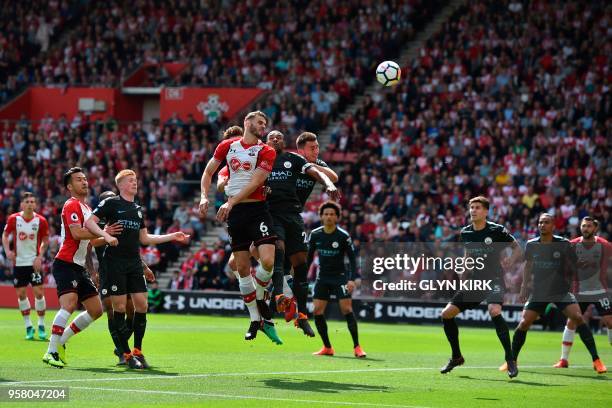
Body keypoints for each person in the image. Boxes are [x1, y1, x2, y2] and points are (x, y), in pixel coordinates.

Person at [85, 169, 189, 369]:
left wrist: (171, 236)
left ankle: (138, 351)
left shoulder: (137, 208)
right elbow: (89, 222)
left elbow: (145, 238)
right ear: (121, 185)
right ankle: (125, 353)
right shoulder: (110, 203)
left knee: (142, 305)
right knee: (120, 308)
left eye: (135, 180)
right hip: (114, 263)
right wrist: (106, 236)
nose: (135, 183)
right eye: (130, 181)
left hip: (133, 262)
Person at [199, 111, 281, 344]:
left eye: (265, 123)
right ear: (247, 123)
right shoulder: (227, 146)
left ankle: (262, 297)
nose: (263, 126)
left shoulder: (266, 150)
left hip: (257, 210)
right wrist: (204, 197)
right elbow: (208, 172)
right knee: (242, 267)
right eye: (259, 122)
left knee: (267, 261)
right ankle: (255, 319)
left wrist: (231, 201)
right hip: (236, 214)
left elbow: (256, 181)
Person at [510, 213, 607, 375]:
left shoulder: (563, 244)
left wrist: (580, 265)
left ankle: (596, 360)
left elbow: (573, 262)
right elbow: (528, 266)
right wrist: (523, 287)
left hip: (561, 291)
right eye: (540, 222)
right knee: (524, 323)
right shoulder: (532, 244)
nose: (542, 225)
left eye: (546, 222)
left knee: (578, 318)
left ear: (553, 226)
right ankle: (512, 361)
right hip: (540, 292)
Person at [265, 130, 339, 337]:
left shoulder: (304, 163)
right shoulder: (283, 160)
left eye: (317, 147)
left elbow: (333, 176)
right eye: (312, 148)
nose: (316, 150)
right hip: (273, 214)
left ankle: (292, 313)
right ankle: (277, 307)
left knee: (297, 266)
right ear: (300, 149)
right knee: (278, 260)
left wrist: (307, 164)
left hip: (293, 216)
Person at [439, 196, 521, 377]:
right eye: (471, 207)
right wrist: (463, 271)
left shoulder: (497, 230)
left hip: (494, 280)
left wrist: (511, 259)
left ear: (486, 211)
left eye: (477, 207)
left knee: (494, 310)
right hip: (475, 282)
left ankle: (510, 359)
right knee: (446, 314)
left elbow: (517, 248)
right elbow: (468, 253)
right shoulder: (466, 232)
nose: (473, 210)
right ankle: (456, 356)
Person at [43, 167, 116, 369]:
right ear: (69, 186)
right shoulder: (71, 205)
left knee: (95, 310)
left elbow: (91, 243)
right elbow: (76, 234)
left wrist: (109, 238)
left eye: (85, 179)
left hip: (79, 266)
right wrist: (104, 232)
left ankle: (63, 339)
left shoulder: (87, 209)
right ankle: (51, 351)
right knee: (69, 304)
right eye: (78, 180)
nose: (84, 182)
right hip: (65, 263)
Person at [89, 190, 154, 366]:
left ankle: (122, 346)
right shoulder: (98, 224)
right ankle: (123, 353)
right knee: (112, 310)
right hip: (107, 271)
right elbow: (89, 246)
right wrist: (92, 271)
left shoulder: (123, 219)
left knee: (133, 309)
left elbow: (130, 249)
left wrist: (145, 267)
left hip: (126, 267)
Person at [307, 201, 365, 358]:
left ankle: (357, 347)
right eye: (326, 214)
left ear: (337, 217)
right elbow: (308, 258)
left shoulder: (343, 236)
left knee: (347, 309)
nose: (328, 217)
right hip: (322, 277)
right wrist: (302, 277)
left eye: (332, 214)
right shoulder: (315, 234)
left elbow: (353, 260)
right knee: (317, 311)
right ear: (321, 216)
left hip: (340, 278)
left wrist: (352, 280)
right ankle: (327, 347)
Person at [553, 216, 611, 368]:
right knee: (571, 321)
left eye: (589, 226)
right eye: (584, 226)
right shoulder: (571, 245)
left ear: (595, 228)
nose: (586, 229)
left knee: (610, 321)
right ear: (580, 227)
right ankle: (563, 359)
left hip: (600, 290)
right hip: (579, 291)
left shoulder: (604, 245)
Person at [2, 192, 49, 340]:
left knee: (39, 293)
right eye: (27, 201)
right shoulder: (13, 219)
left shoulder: (41, 220)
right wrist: (8, 251)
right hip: (19, 263)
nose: (30, 204)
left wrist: (40, 257)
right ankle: (28, 326)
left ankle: (41, 325)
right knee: (21, 294)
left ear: (35, 204)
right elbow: (5, 235)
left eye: (32, 201)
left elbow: (45, 240)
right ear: (22, 204)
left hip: (33, 262)